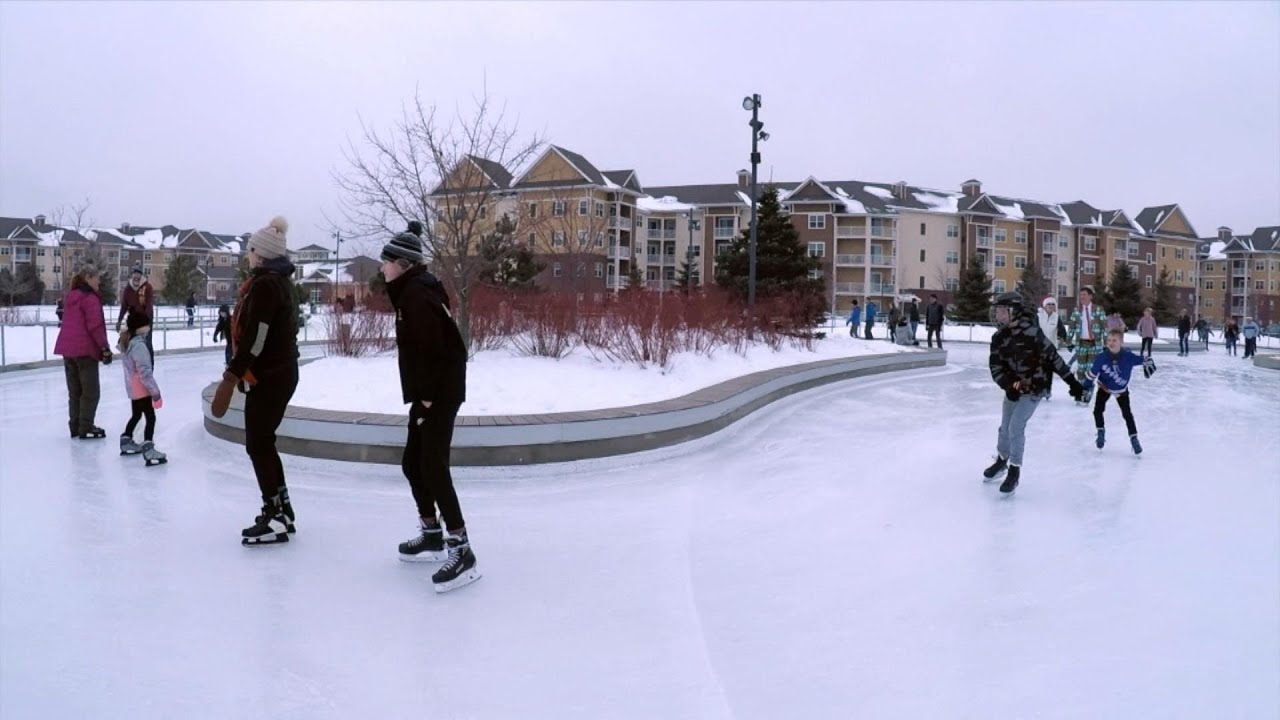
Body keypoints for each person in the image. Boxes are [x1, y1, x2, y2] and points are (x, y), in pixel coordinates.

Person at [382, 222, 479, 593]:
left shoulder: (417, 296)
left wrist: (426, 398)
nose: (382, 267)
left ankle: (462, 547)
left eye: (387, 261)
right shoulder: (412, 290)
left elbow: (436, 349)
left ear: (404, 265)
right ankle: (432, 533)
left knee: (432, 467)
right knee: (413, 464)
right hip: (432, 392)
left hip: (437, 393)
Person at [210, 216, 301, 546]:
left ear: (260, 254)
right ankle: (283, 509)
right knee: (264, 442)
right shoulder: (276, 282)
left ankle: (275, 514)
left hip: (271, 376)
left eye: (250, 251)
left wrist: (232, 375)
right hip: (279, 372)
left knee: (258, 443)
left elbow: (257, 336)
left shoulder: (265, 286)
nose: (247, 256)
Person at [984, 292, 1085, 494]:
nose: (999, 315)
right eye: (997, 311)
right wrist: (1008, 385)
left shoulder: (1032, 333)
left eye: (1003, 311)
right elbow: (995, 367)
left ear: (1014, 312)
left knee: (1015, 427)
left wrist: (1072, 382)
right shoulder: (998, 337)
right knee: (1004, 428)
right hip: (1013, 388)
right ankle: (1002, 460)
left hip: (1034, 388)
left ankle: (1014, 469)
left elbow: (1053, 358)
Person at [53, 263, 113, 439]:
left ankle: (75, 426)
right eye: (97, 278)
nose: (99, 281)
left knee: (75, 391)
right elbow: (95, 326)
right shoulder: (90, 298)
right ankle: (85, 427)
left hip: (68, 350)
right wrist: (105, 348)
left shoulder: (71, 296)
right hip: (85, 351)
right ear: (88, 277)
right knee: (90, 391)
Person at [1086, 329, 1156, 455]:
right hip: (1104, 388)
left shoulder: (1128, 356)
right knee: (1097, 410)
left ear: (1121, 342)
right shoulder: (1101, 357)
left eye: (1114, 340)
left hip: (1121, 390)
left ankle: (1134, 439)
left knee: (1127, 414)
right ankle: (1101, 431)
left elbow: (1143, 359)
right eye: (1108, 340)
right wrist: (1085, 386)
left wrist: (1149, 361)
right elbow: (1092, 374)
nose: (1111, 343)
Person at [117, 311, 166, 465]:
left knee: (136, 415)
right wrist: (155, 392)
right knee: (150, 417)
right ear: (141, 328)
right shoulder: (138, 345)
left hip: (133, 388)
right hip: (142, 388)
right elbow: (145, 372)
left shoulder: (128, 341)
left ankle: (126, 439)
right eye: (147, 325)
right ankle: (148, 448)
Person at [1068, 286, 1107, 405]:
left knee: (1090, 369)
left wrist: (1106, 343)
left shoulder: (1098, 310)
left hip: (1094, 344)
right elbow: (1072, 326)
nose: (1082, 297)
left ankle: (1088, 391)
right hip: (1081, 343)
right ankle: (1081, 391)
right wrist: (1069, 341)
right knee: (1081, 370)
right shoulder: (1077, 310)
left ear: (1091, 296)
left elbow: (1104, 326)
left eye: (1084, 295)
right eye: (1080, 295)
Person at [118, 263, 155, 355]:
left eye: (138, 274)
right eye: (135, 274)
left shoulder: (147, 287)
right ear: (132, 275)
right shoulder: (128, 289)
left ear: (141, 275)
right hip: (133, 320)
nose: (136, 277)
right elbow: (124, 306)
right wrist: (119, 320)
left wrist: (147, 322)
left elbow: (149, 306)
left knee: (146, 344)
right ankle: (133, 365)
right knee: (130, 343)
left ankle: (149, 366)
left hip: (145, 319)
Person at [1036, 297, 1069, 399]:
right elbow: (1033, 328)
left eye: (1052, 305)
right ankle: (1037, 390)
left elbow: (1061, 330)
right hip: (1038, 347)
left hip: (1051, 348)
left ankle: (1047, 390)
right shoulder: (1038, 316)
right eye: (1048, 304)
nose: (1050, 306)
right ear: (1044, 306)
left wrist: (1063, 338)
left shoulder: (1056, 317)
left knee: (1048, 370)